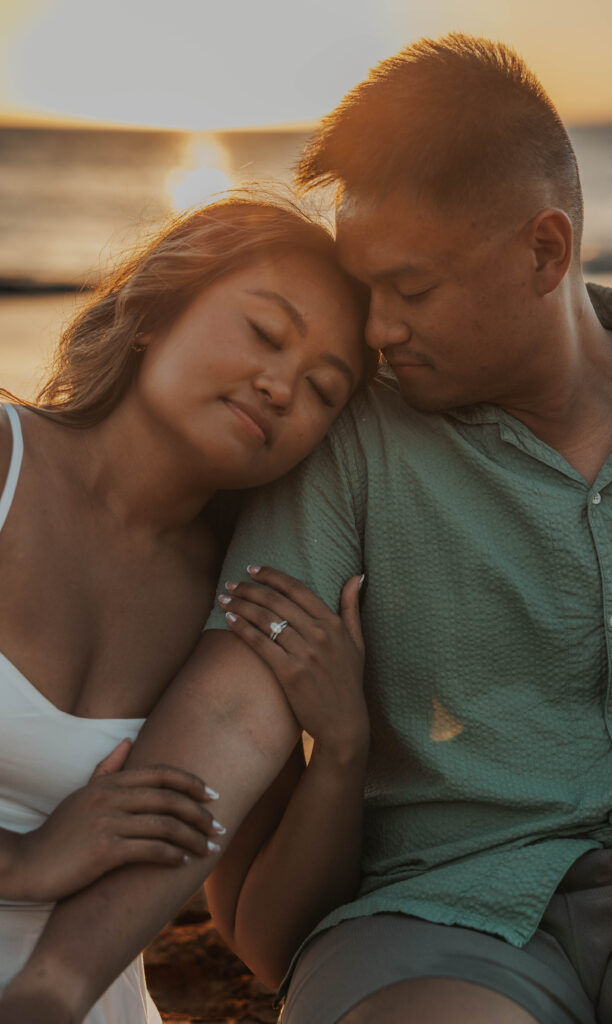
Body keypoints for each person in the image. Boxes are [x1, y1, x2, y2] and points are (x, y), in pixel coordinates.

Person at [4, 31, 612, 1024]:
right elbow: (239, 705)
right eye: (364, 293)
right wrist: (59, 975)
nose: (373, 335)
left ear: (543, 251)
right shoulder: (349, 437)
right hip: (439, 912)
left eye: (408, 291)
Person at [0, 192, 371, 1023]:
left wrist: (342, 750)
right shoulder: (4, 466)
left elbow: (264, 944)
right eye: (264, 334)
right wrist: (21, 864)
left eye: (323, 389)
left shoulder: (241, 616)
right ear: (154, 316)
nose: (280, 387)